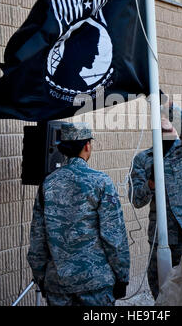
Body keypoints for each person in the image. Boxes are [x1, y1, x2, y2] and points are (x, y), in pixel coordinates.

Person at [27, 122, 130, 306]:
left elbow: (37, 239)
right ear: (87, 146)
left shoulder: (47, 184)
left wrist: (41, 277)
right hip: (96, 284)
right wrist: (122, 276)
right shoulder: (101, 182)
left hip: (58, 283)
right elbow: (114, 236)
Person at [128, 98, 182, 300]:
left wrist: (171, 108)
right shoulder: (144, 159)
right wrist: (151, 184)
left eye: (169, 122)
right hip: (162, 236)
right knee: (160, 284)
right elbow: (136, 200)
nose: (165, 126)